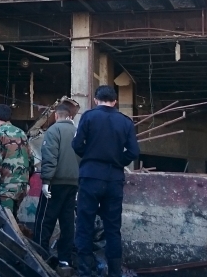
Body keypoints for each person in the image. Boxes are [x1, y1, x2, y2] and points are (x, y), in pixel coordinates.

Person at [72, 85, 139, 277]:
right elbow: (134, 152)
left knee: (85, 224)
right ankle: (115, 273)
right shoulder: (125, 122)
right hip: (114, 179)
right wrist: (118, 162)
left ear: (95, 100)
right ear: (115, 101)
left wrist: (90, 157)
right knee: (113, 228)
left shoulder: (88, 117)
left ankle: (85, 272)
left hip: (90, 176)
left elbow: (77, 144)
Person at [36, 103, 80, 269]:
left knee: (44, 221)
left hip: (55, 183)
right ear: (69, 116)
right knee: (68, 222)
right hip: (73, 184)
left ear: (56, 115)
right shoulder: (78, 132)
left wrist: (46, 181)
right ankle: (65, 260)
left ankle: (40, 256)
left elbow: (49, 158)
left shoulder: (53, 131)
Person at [0, 104, 31, 213]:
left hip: (5, 185)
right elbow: (31, 159)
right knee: (14, 219)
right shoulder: (22, 133)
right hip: (22, 185)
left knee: (6, 222)